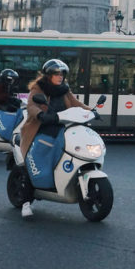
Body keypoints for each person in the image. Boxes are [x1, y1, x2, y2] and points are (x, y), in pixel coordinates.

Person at [19, 59, 90, 217]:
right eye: (57, 74)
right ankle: (25, 203)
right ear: (48, 75)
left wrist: (91, 111)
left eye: (62, 74)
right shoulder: (39, 88)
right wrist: (40, 114)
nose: (60, 77)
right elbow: (31, 105)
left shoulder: (64, 89)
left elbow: (75, 103)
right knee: (33, 164)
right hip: (40, 128)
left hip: (61, 128)